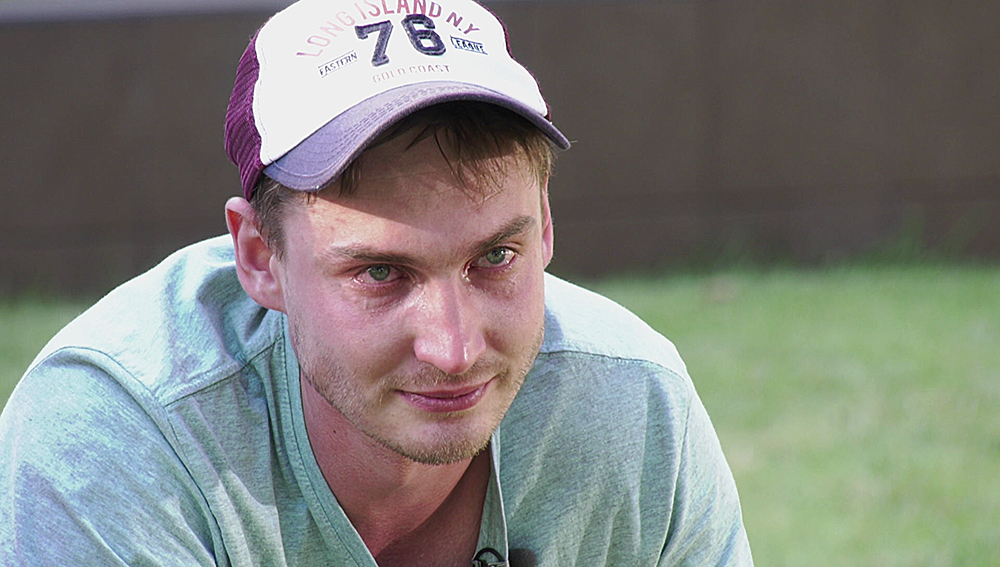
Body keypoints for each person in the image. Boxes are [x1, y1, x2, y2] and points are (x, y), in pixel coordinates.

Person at [0, 0, 753, 564]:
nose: (454, 349)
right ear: (260, 258)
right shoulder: (113, 440)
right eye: (381, 272)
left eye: (496, 256)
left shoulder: (631, 406)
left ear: (546, 227)